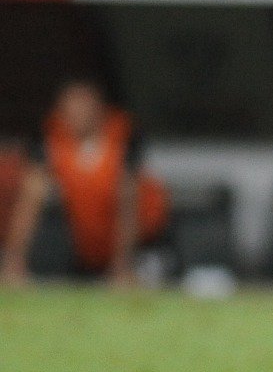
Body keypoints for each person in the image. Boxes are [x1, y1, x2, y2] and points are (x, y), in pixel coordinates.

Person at [1, 79, 167, 287]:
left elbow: (128, 204)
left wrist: (123, 266)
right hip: (86, 243)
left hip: (145, 237)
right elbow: (30, 199)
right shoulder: (51, 135)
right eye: (71, 107)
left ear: (99, 108)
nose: (78, 114)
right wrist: (14, 261)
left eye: (84, 106)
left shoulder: (123, 133)